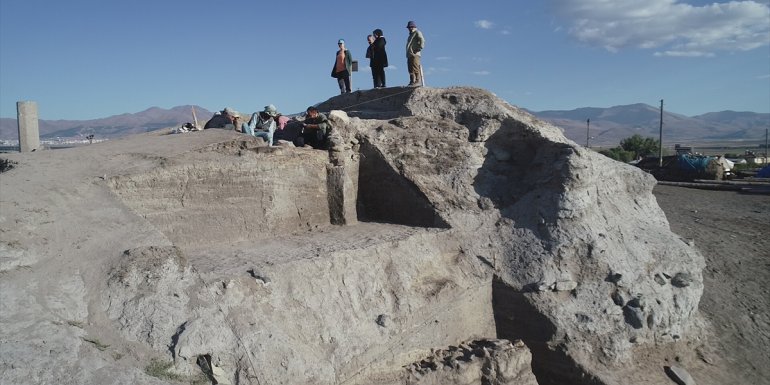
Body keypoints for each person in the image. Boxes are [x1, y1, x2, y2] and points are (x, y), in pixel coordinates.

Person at [405, 21, 425, 87]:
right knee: (410, 68)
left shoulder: (417, 32)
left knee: (415, 66)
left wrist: (419, 48)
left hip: (415, 53)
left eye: (410, 27)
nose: (409, 28)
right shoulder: (410, 35)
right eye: (408, 27)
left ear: (413, 27)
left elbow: (422, 39)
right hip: (410, 54)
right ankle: (412, 81)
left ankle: (417, 81)